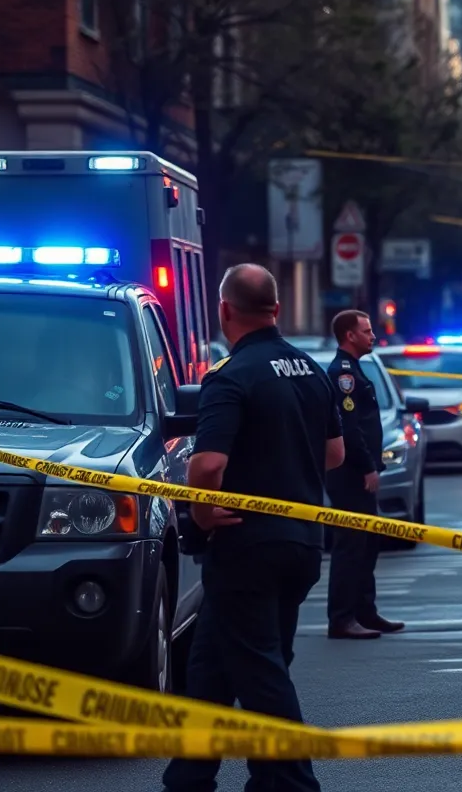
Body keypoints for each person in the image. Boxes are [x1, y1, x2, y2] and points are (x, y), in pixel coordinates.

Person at [162, 264, 343, 792]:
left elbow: (208, 465)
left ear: (224, 311)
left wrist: (200, 511)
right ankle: (190, 776)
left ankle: (289, 781)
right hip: (303, 543)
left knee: (260, 667)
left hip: (246, 545)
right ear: (277, 310)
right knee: (212, 665)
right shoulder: (312, 370)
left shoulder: (230, 375)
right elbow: (334, 454)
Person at [325, 309, 405, 641]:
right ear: (350, 336)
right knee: (351, 545)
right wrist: (368, 466)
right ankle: (342, 618)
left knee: (368, 542)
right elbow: (350, 428)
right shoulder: (343, 374)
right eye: (367, 331)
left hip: (360, 471)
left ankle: (365, 611)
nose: (373, 336)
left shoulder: (356, 369)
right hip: (351, 473)